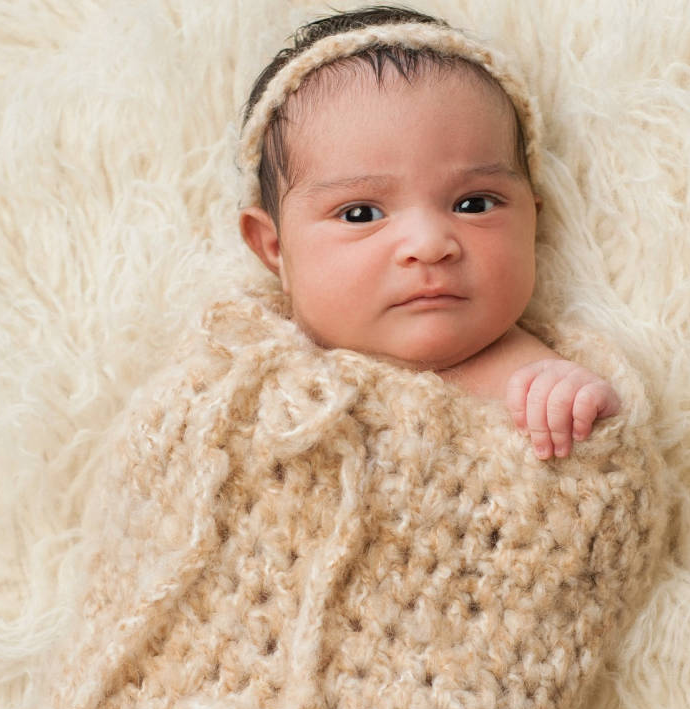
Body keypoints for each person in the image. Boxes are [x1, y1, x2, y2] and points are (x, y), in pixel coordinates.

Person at [235, 5, 620, 460]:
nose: (429, 245)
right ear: (275, 249)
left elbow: (603, 474)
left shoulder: (533, 376)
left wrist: (580, 402)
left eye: (473, 205)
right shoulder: (243, 368)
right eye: (361, 214)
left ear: (532, 221)